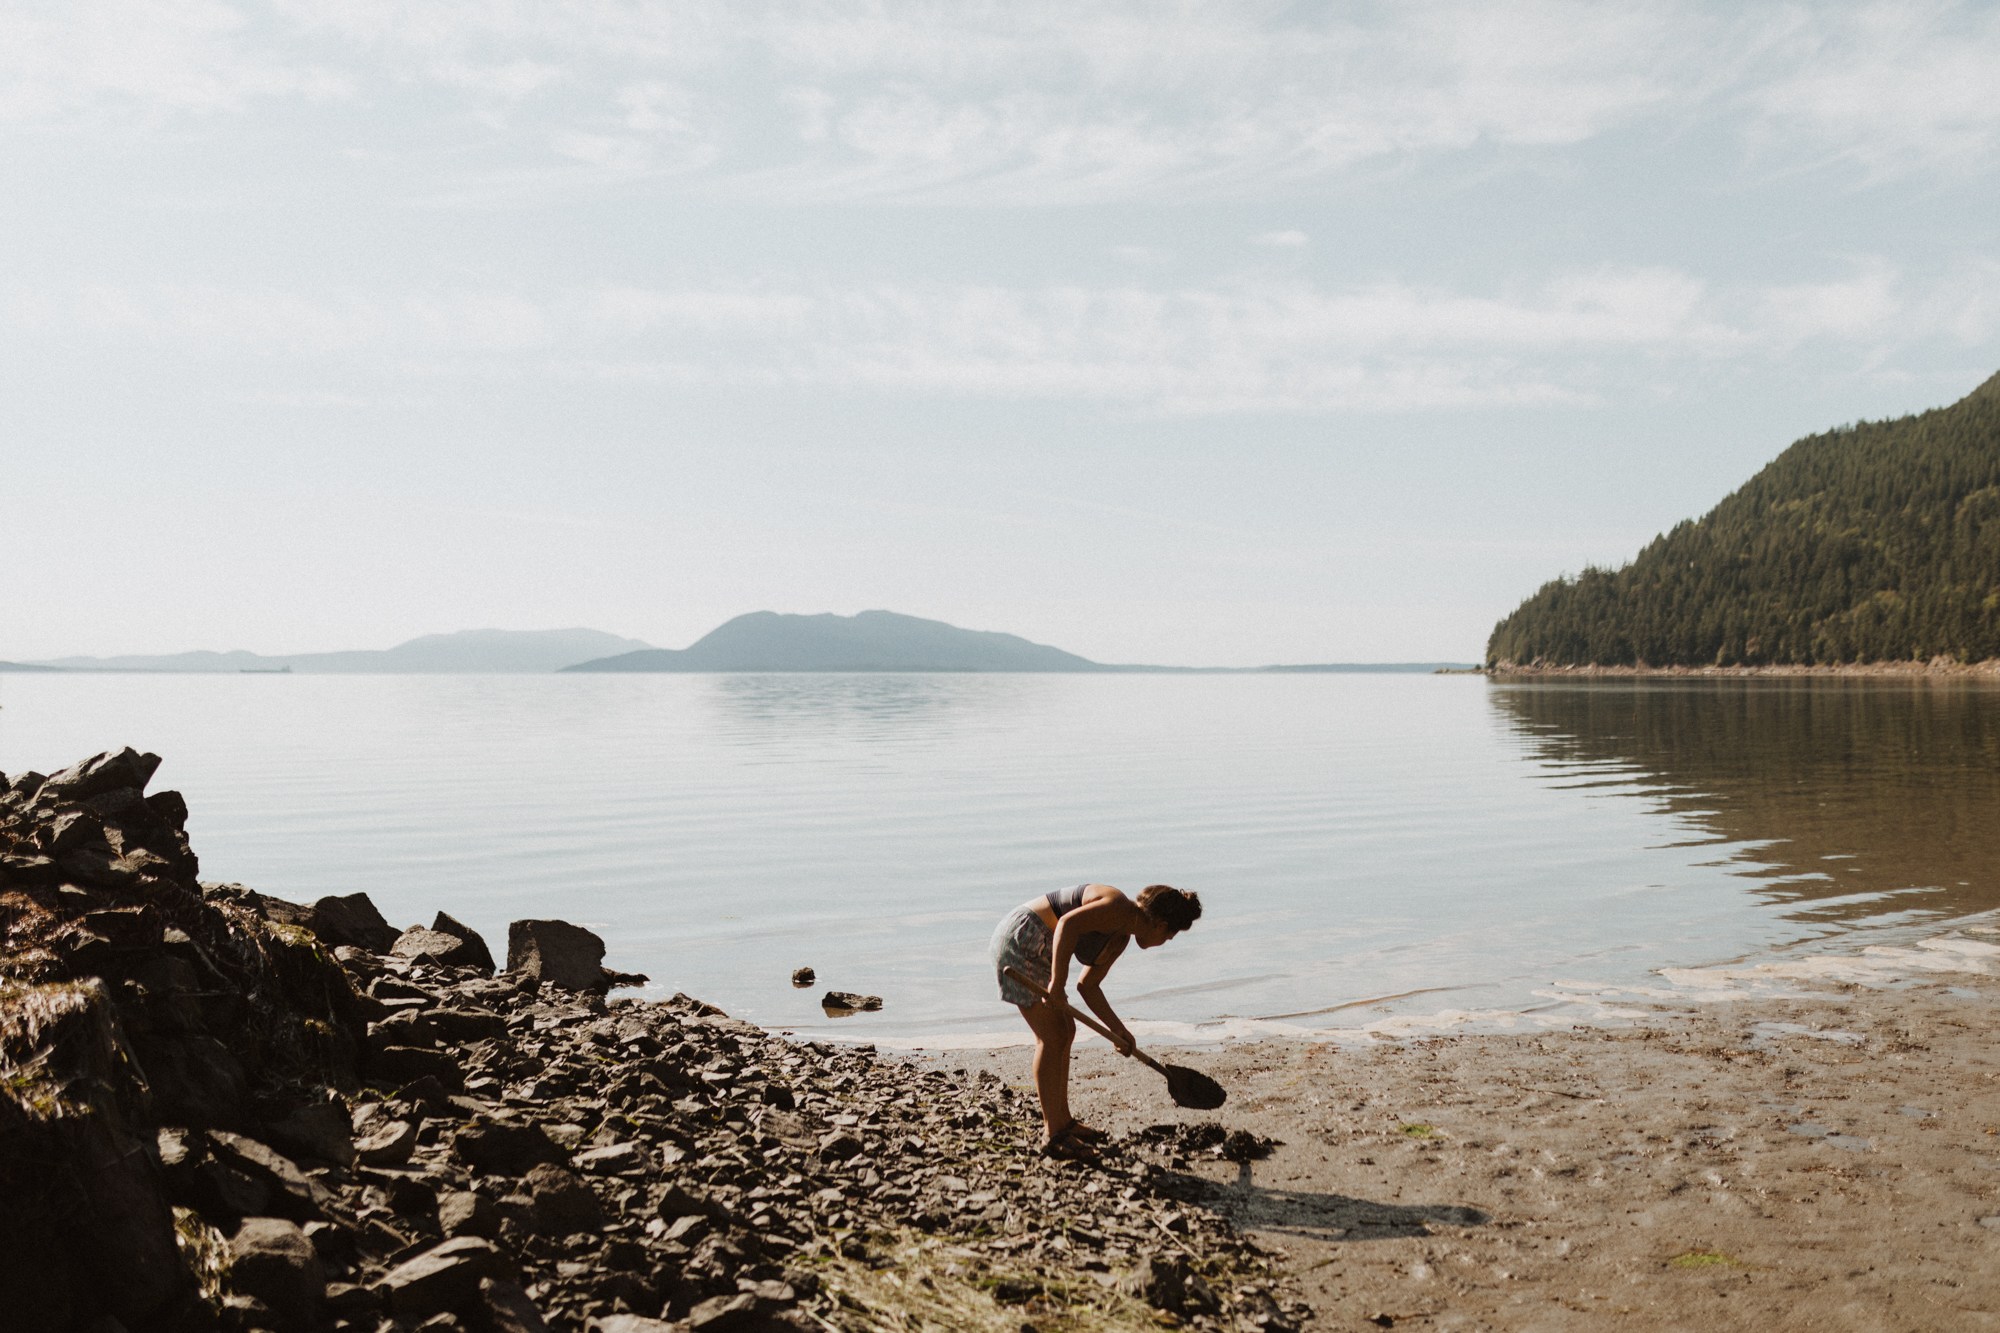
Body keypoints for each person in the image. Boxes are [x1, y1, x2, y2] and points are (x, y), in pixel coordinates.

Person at [989, 882, 1203, 1159]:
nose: (1164, 943)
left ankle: (1062, 1121)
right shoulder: (1116, 907)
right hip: (1022, 939)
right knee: (1052, 1037)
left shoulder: (1120, 937)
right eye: (1168, 938)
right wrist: (1057, 984)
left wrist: (1118, 1029)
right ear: (1161, 926)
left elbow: (1088, 986)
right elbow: (1066, 925)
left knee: (1066, 1030)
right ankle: (1053, 1134)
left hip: (1040, 948)